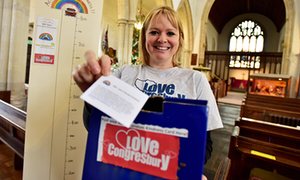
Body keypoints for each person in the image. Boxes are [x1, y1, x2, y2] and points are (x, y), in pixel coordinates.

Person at [73, 6, 223, 180]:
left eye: (171, 33)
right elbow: (95, 126)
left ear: (180, 39)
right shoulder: (124, 73)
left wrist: (186, 168)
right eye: (154, 32)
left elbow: (205, 144)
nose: (162, 39)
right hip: (123, 169)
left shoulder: (195, 79)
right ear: (144, 36)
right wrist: (93, 95)